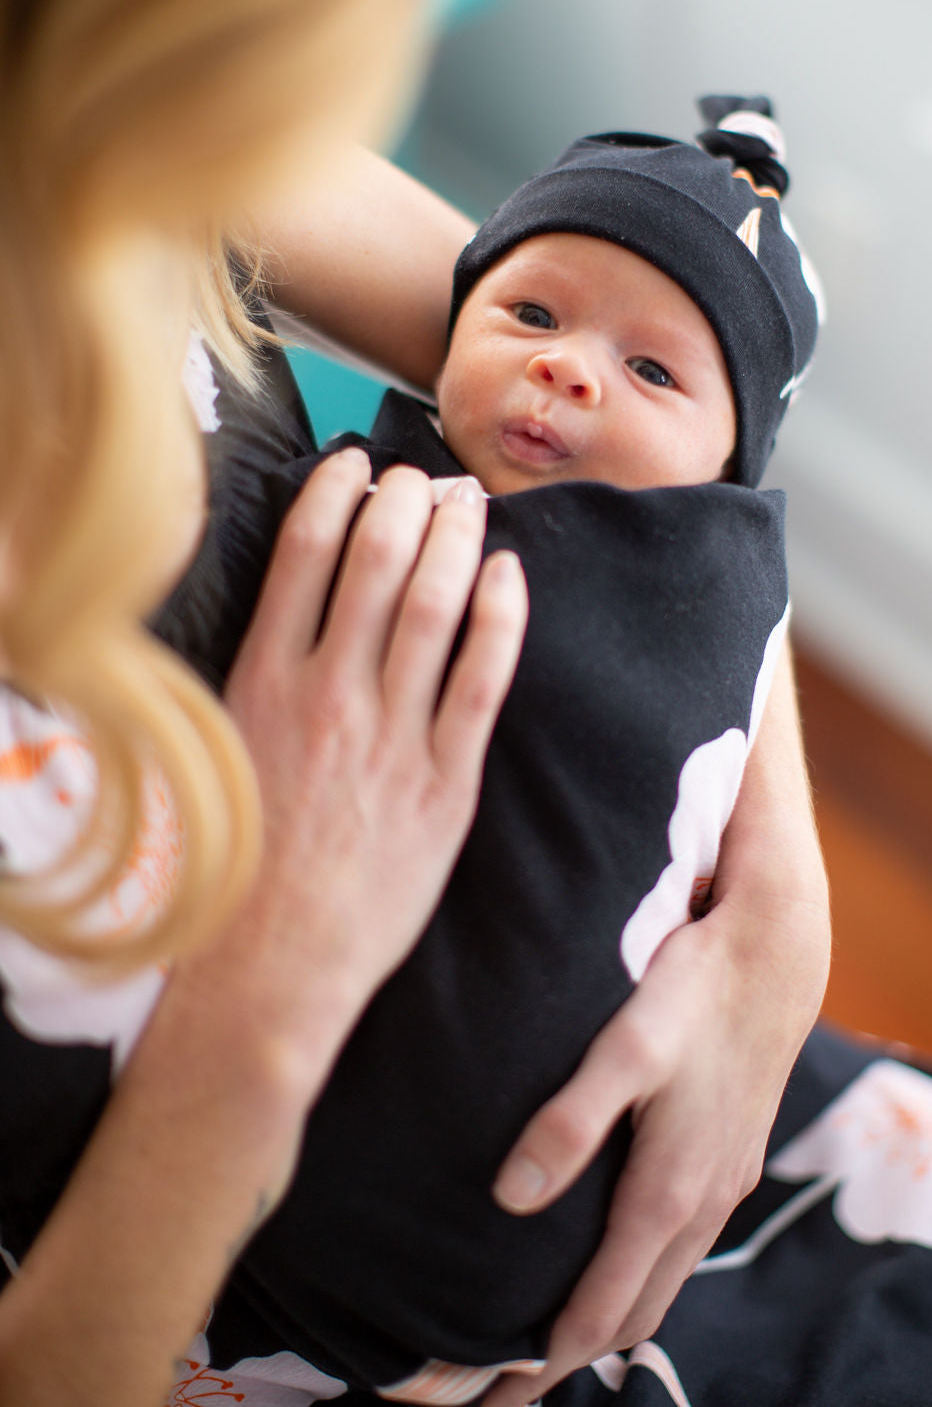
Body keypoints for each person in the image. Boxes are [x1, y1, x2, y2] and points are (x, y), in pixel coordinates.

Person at [149, 99, 822, 1398]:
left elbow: (532, 295)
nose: (568, 367)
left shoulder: (96, 95)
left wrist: (780, 884)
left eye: (648, 372)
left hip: (666, 1087)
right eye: (539, 329)